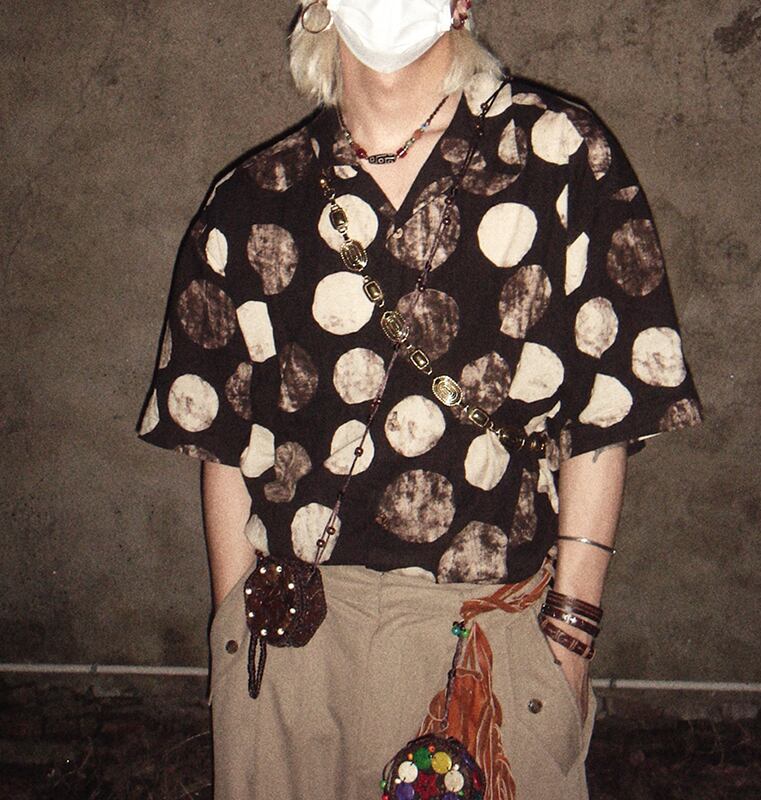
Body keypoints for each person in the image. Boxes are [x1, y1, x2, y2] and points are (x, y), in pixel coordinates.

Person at [137, 1, 702, 797]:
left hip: (485, 643)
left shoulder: (559, 157)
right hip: (293, 646)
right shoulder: (253, 198)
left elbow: (605, 415)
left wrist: (569, 641)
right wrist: (236, 637)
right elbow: (223, 445)